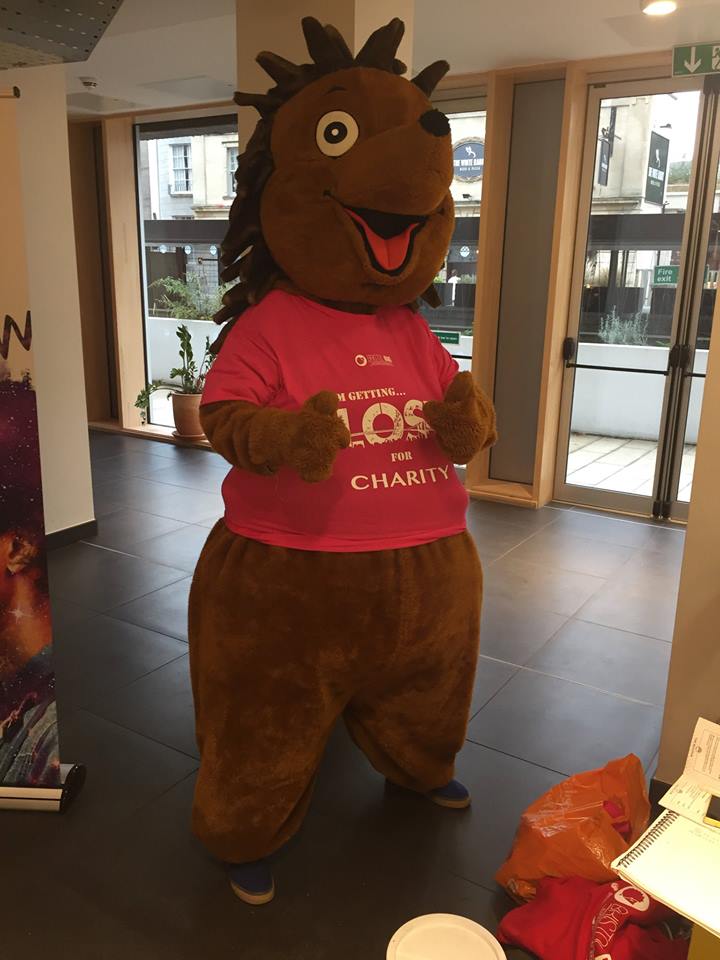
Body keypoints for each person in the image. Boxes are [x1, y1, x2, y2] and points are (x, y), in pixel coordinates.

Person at [189, 16, 497, 905]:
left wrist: (468, 422)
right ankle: (246, 826)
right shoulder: (270, 324)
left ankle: (420, 762)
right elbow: (223, 413)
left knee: (428, 692)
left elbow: (456, 410)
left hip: (431, 572)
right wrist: (284, 438)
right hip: (292, 576)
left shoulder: (409, 328)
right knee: (268, 714)